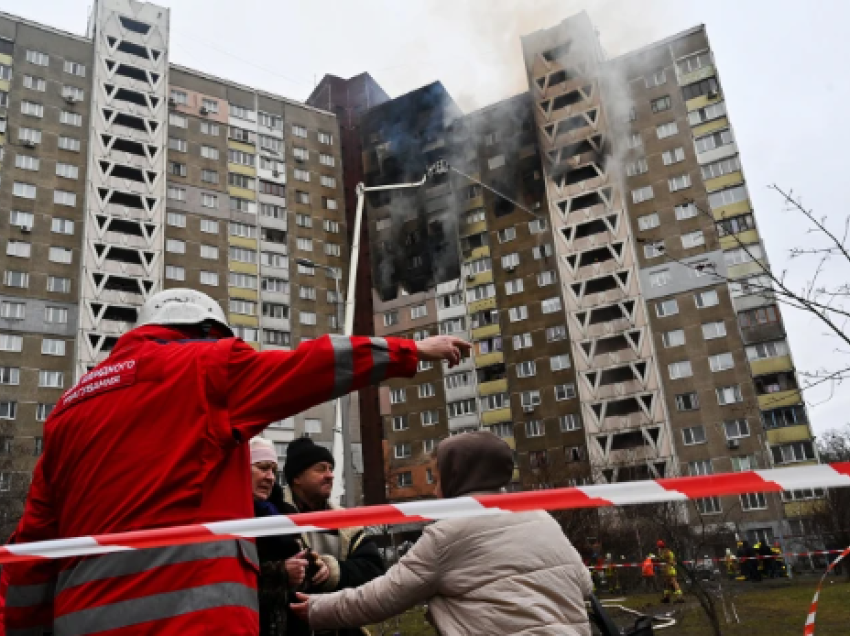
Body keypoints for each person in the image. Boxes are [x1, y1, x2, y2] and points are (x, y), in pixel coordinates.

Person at [2, 288, 470, 636]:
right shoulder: (205, 366)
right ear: (209, 333)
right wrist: (411, 350)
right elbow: (306, 367)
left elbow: (32, 552)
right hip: (195, 623)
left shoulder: (67, 408)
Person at [291, 431, 593, 634]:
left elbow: (381, 597)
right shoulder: (540, 516)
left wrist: (315, 608)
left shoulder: (449, 535)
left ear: (457, 477)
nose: (435, 491)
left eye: (438, 478)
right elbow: (584, 583)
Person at [282, 436, 386, 636]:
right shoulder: (273, 519)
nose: (330, 475)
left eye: (331, 469)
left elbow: (374, 570)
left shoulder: (345, 523)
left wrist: (334, 570)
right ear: (296, 477)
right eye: (320, 469)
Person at [250, 437, 306, 636]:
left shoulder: (284, 513)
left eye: (273, 470)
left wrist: (316, 565)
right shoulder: (227, 519)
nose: (270, 477)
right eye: (263, 467)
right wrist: (281, 572)